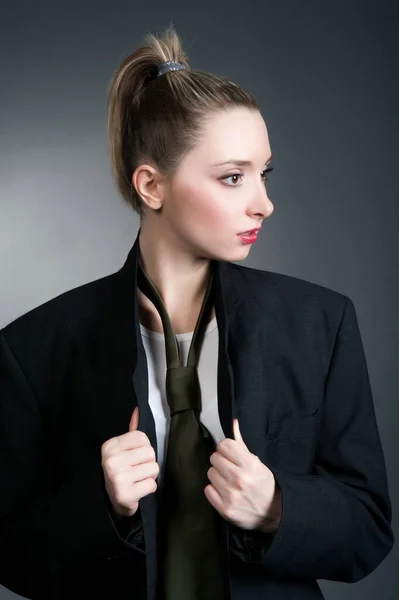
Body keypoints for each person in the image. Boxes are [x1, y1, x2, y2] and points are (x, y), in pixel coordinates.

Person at [0, 23, 394, 600]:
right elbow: (12, 555)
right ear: (151, 186)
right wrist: (102, 504)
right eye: (233, 177)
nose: (264, 202)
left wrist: (278, 507)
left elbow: (370, 528)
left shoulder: (320, 324)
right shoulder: (33, 350)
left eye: (264, 173)